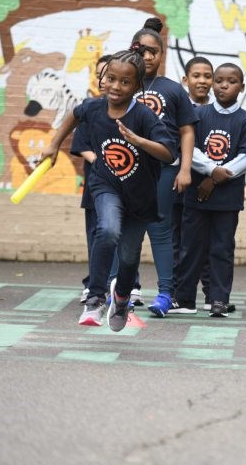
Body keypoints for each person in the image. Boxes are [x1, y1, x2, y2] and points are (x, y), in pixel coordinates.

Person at [42, 46, 176, 331]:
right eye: (111, 78)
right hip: (106, 185)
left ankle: (122, 297)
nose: (116, 86)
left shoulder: (144, 117)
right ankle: (95, 298)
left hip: (139, 198)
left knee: (128, 257)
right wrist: (53, 145)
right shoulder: (93, 107)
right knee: (107, 229)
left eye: (125, 81)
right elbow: (74, 115)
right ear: (103, 78)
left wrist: (139, 141)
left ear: (137, 86)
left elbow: (168, 153)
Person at [127, 17, 198, 318]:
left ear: (161, 54)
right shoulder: (124, 84)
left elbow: (187, 131)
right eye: (140, 51)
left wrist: (184, 168)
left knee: (160, 229)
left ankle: (166, 293)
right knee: (128, 229)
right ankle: (124, 290)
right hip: (130, 170)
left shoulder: (172, 89)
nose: (146, 57)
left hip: (165, 169)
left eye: (152, 52)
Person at [175, 63, 246, 317]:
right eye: (219, 80)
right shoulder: (198, 114)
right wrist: (213, 170)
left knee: (221, 249)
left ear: (241, 87)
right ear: (213, 85)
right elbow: (190, 150)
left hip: (227, 200)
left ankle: (219, 299)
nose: (224, 85)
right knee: (190, 247)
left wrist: (217, 177)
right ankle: (185, 299)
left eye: (231, 81)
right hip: (196, 197)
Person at [172, 56, 215, 313]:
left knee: (209, 244)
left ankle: (211, 294)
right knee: (179, 243)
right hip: (180, 186)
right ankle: (177, 293)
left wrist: (211, 177)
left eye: (207, 76)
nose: (202, 81)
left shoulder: (217, 111)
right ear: (185, 80)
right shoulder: (178, 110)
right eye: (196, 76)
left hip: (210, 189)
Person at [76, 53, 111, 305]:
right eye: (99, 74)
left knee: (121, 235)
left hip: (124, 184)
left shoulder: (132, 110)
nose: (102, 80)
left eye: (107, 74)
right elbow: (81, 144)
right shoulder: (90, 108)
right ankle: (93, 286)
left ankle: (127, 285)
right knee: (97, 233)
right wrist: (101, 161)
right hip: (97, 181)